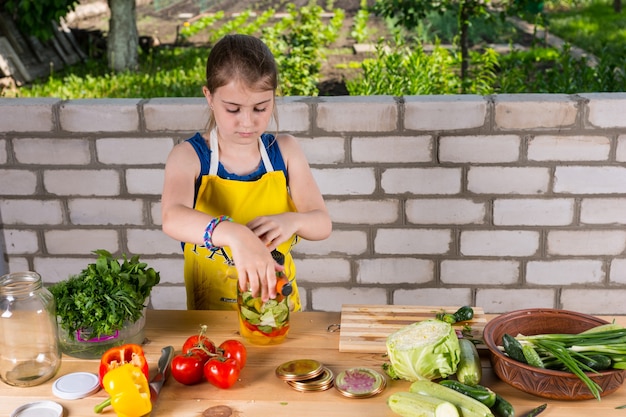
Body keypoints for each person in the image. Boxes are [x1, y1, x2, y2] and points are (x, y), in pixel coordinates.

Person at [161, 34, 332, 311]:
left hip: (278, 311)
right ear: (209, 97)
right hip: (212, 318)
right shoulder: (189, 157)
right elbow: (172, 218)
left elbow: (322, 223)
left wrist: (293, 222)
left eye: (260, 108)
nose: (247, 122)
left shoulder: (285, 151)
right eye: (233, 109)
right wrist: (235, 234)